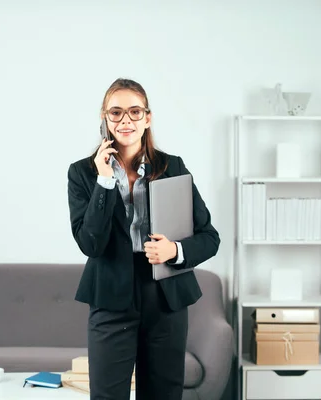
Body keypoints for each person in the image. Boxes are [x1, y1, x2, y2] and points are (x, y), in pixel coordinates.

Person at [66, 78, 220, 400]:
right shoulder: (82, 173)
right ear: (104, 119)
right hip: (111, 297)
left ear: (147, 118)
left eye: (135, 112)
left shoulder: (172, 167)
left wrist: (174, 250)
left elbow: (209, 237)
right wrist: (104, 182)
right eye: (116, 112)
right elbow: (90, 244)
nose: (126, 121)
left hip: (165, 296)